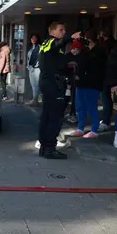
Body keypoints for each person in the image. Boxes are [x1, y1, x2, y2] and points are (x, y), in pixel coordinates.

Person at [37, 22, 82, 159]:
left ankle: (45, 146)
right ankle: (50, 148)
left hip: (47, 82)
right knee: (55, 117)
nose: (63, 32)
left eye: (65, 30)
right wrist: (71, 38)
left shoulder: (45, 45)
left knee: (47, 116)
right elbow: (58, 44)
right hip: (53, 84)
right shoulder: (52, 42)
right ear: (53, 31)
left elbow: (55, 62)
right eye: (61, 30)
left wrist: (68, 63)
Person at [68, 31, 105, 139]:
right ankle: (80, 128)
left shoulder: (98, 51)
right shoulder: (85, 51)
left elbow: (97, 69)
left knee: (91, 107)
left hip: (92, 83)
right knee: (80, 106)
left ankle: (94, 129)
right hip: (81, 82)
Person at [97, 30, 117, 132]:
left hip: (106, 75)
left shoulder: (104, 46)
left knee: (105, 98)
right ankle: (107, 120)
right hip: (114, 75)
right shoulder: (115, 44)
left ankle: (106, 121)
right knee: (108, 99)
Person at [26, 34, 41, 105]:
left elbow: (39, 58)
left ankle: (35, 100)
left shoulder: (39, 47)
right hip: (30, 68)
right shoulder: (30, 48)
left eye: (35, 38)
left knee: (36, 84)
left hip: (36, 69)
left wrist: (33, 66)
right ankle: (34, 99)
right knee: (33, 84)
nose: (33, 39)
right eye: (32, 38)